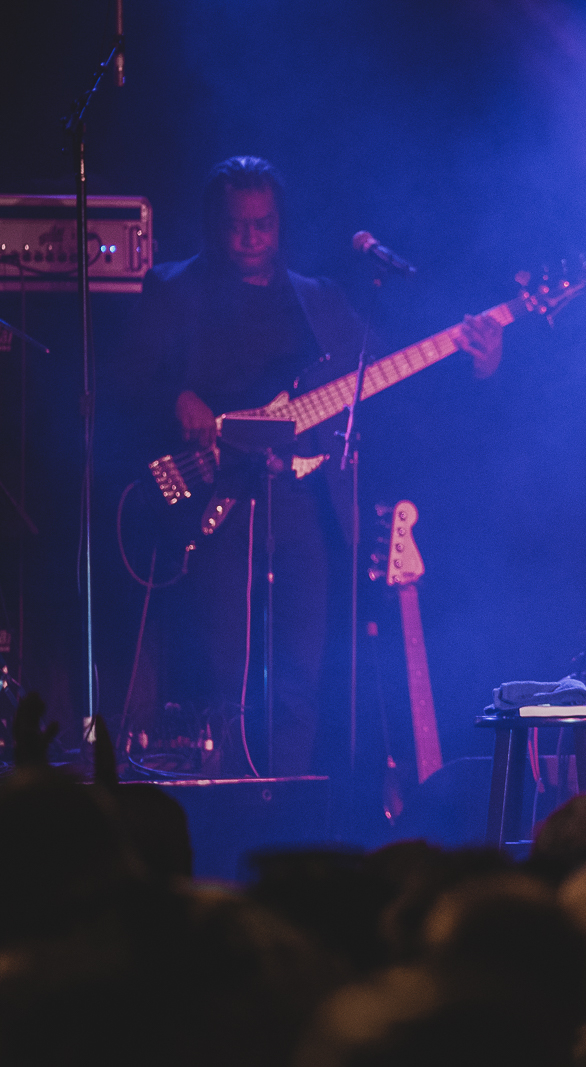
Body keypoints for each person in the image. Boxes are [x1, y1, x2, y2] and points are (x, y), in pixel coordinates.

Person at [129, 156, 501, 777]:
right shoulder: (174, 289)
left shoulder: (320, 301)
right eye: (236, 225)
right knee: (227, 683)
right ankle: (230, 812)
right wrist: (176, 396)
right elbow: (121, 381)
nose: (250, 239)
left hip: (302, 513)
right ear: (212, 225)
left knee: (300, 681)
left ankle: (288, 817)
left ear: (281, 225)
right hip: (214, 506)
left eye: (263, 224)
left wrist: (475, 359)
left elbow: (387, 386)